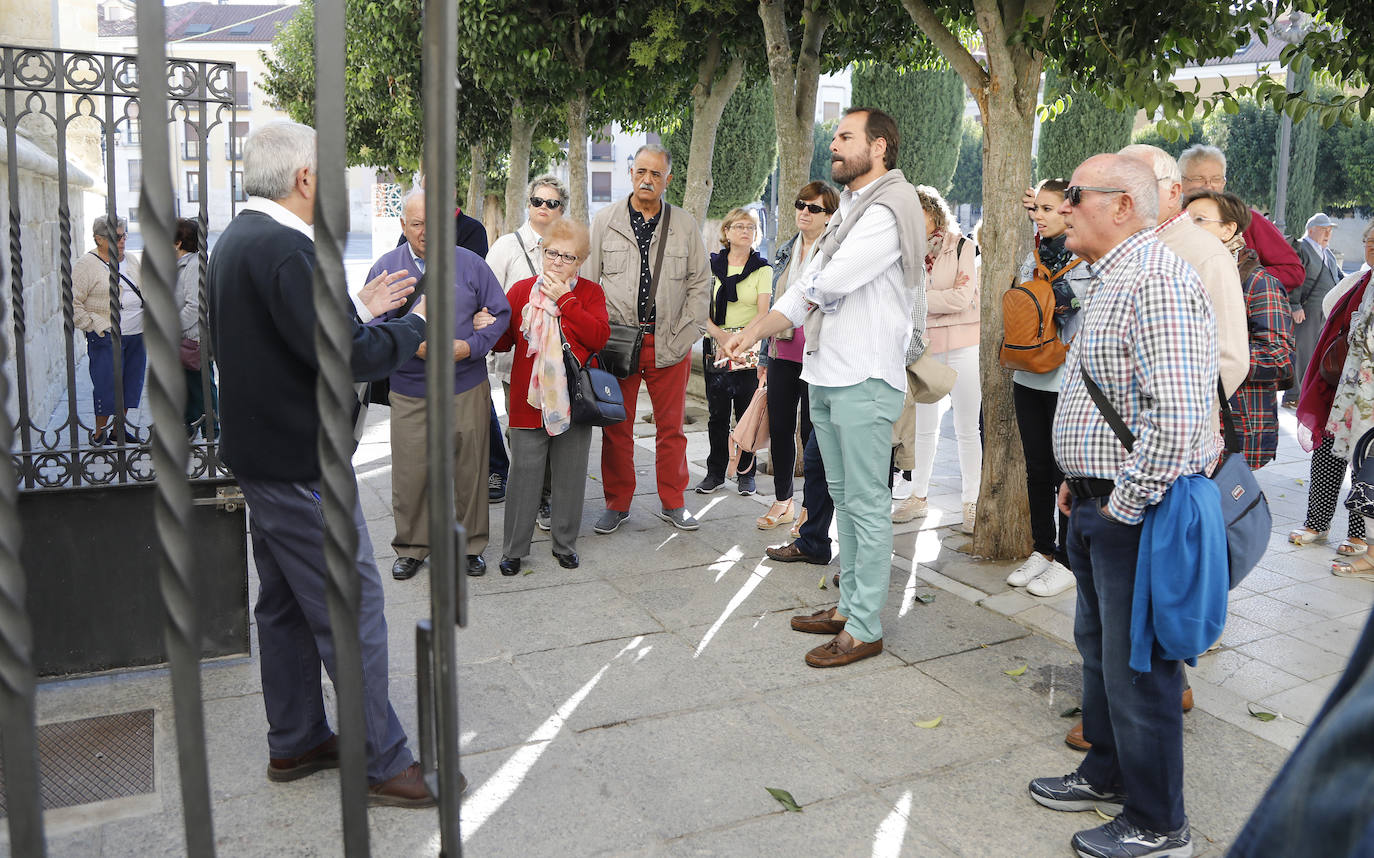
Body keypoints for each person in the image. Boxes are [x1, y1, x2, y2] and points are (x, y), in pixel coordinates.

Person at [208, 120, 442, 806]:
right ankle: (383, 762)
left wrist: (359, 310)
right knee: (354, 609)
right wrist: (421, 321)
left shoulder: (238, 240)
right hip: (299, 464)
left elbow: (300, 340)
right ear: (305, 178)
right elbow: (350, 355)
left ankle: (297, 739)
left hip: (266, 458)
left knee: (281, 605)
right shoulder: (284, 250)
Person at [1028, 153, 1218, 858]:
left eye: (1075, 194)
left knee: (1140, 671)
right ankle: (1106, 772)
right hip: (1095, 503)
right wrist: (1080, 483)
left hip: (1133, 514)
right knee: (1103, 656)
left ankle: (1160, 823)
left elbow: (1175, 419)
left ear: (1124, 206)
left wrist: (1124, 507)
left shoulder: (1156, 281)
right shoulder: (1114, 277)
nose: (1062, 204)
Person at [721, 107, 925, 669]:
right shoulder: (854, 207)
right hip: (827, 374)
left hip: (863, 377)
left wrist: (773, 317)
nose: (832, 145)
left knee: (865, 506)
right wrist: (751, 334)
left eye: (844, 137)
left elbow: (825, 282)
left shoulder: (890, 207)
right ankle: (847, 606)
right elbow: (807, 288)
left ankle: (864, 627)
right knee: (842, 497)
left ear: (879, 146)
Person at [368, 189, 511, 581]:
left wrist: (471, 347)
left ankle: (470, 546)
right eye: (416, 224)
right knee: (411, 473)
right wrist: (412, 344)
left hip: (466, 385)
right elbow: (370, 326)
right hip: (410, 389)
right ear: (403, 225)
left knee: (471, 470)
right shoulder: (387, 268)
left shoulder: (471, 264)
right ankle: (412, 546)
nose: (426, 232)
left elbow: (500, 313)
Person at [585, 143, 710, 534]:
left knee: (670, 430)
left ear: (667, 180)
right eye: (641, 172)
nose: (647, 180)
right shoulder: (605, 221)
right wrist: (597, 335)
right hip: (618, 345)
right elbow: (588, 285)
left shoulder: (685, 225)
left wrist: (686, 333)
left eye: (656, 174)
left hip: (668, 343)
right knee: (616, 428)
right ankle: (617, 503)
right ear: (631, 173)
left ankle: (673, 502)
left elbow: (701, 284)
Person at [493, 219, 609, 576]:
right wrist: (487, 324)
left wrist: (567, 301)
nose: (557, 261)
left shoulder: (589, 294)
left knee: (570, 477)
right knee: (523, 476)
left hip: (573, 401)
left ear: (581, 261)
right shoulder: (520, 291)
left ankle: (565, 544)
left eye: (568, 256)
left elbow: (598, 337)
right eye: (552, 253)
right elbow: (502, 342)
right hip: (529, 402)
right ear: (542, 252)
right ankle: (513, 549)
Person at [1004, 179, 1094, 598]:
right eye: (1035, 208)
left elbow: (1086, 316)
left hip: (1066, 378)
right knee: (1037, 470)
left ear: (1069, 211)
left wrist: (1059, 296)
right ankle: (1042, 549)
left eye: (1047, 208)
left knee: (1064, 473)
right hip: (1027, 374)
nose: (1038, 215)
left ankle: (1069, 559)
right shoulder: (1033, 255)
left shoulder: (1088, 258)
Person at [1118, 144, 1248, 399]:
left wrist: (1168, 422)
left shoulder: (1206, 253)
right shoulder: (1133, 240)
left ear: (1173, 190)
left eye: (1136, 182)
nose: (1208, 186)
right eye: (1116, 183)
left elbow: (1229, 360)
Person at [891, 185, 981, 535]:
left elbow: (962, 298)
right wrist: (929, 304)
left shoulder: (963, 246)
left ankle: (970, 501)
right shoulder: (908, 252)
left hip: (963, 345)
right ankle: (918, 496)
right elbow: (901, 298)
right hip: (924, 347)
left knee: (966, 428)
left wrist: (923, 301)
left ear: (933, 212)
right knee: (924, 428)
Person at [1184, 189, 1294, 469]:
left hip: (1237, 425)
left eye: (1199, 220)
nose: (1188, 228)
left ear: (1228, 229)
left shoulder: (1257, 282)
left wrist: (1215, 356)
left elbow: (1280, 357)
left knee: (1223, 509)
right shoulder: (1186, 274)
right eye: (1184, 220)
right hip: (1193, 423)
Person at [486, 174, 569, 524]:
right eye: (538, 201)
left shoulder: (569, 246)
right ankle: (528, 494)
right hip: (517, 361)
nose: (544, 208)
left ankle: (546, 495)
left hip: (560, 362)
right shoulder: (506, 247)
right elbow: (488, 300)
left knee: (556, 429)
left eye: (552, 203)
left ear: (561, 208)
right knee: (521, 432)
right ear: (528, 204)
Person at [757, 181, 838, 531]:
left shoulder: (834, 252)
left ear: (829, 216)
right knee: (780, 425)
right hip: (781, 349)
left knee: (811, 433)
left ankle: (810, 507)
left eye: (814, 208)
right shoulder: (784, 250)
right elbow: (776, 306)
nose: (804, 212)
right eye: (800, 204)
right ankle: (783, 501)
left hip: (817, 352)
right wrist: (762, 357)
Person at [1289, 225, 1374, 558]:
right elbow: (1329, 306)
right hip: (1346, 384)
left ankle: (1359, 532)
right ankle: (1317, 522)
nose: (1372, 248)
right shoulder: (1359, 281)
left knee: (1366, 460)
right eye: (1370, 242)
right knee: (1328, 448)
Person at [695, 208, 771, 497]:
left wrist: (741, 338)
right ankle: (714, 473)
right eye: (739, 226)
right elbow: (700, 310)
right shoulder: (711, 267)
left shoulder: (763, 270)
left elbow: (763, 312)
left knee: (747, 412)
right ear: (726, 232)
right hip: (716, 342)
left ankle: (746, 474)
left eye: (751, 228)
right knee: (717, 414)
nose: (745, 232)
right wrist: (722, 335)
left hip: (749, 346)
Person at [1177, 144, 1305, 290]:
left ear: (1224, 182)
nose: (1208, 186)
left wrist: (1243, 276)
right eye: (1199, 178)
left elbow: (1294, 271)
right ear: (1180, 181)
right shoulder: (1168, 221)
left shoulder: (1249, 220)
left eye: (1216, 179)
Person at [72, 214, 145, 445]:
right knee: (106, 385)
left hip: (136, 333)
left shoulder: (131, 260)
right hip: (106, 336)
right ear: (99, 239)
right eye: (116, 237)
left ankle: (118, 430)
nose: (122, 241)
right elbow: (73, 303)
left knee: (130, 383)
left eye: (124, 235)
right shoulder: (86, 265)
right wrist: (95, 326)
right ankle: (99, 433)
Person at [1286, 213, 1345, 409]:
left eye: (1330, 229)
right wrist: (1295, 305)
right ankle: (1293, 395)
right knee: (1302, 352)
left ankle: (1305, 393)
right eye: (1324, 229)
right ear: (1311, 230)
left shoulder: (1326, 252)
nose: (1328, 233)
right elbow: (1295, 278)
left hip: (1326, 311)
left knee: (1316, 353)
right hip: (1308, 309)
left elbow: (1339, 276)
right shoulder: (1302, 248)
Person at [173, 217, 218, 439]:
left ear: (179, 242)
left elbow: (195, 305)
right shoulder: (182, 264)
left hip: (193, 337)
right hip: (185, 336)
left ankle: (212, 429)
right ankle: (191, 426)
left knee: (201, 386)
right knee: (189, 386)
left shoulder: (193, 265)